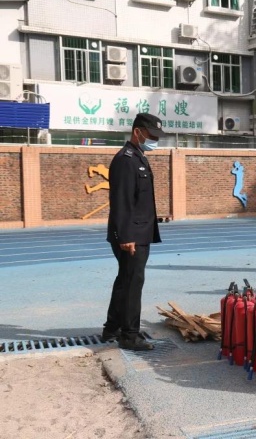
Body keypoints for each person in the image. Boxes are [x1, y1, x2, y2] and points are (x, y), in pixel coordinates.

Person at [102, 113, 165, 351]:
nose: (154, 140)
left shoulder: (137, 156)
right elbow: (121, 200)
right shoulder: (126, 160)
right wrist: (126, 236)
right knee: (132, 283)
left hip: (138, 232)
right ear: (137, 132)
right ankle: (129, 335)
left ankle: (112, 327)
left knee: (125, 280)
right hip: (132, 236)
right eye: (151, 135)